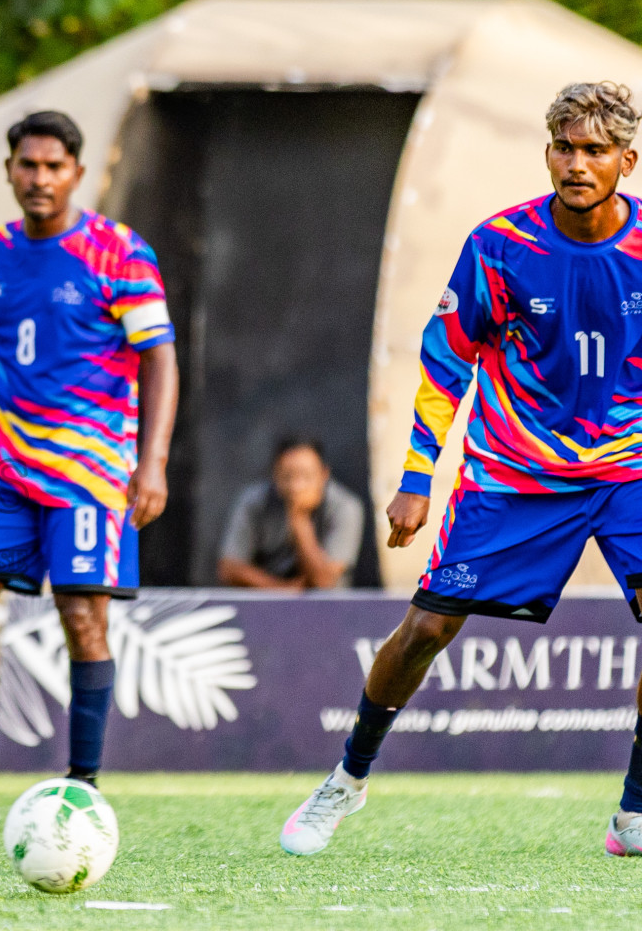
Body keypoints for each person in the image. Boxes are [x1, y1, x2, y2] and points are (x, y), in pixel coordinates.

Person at [280, 81, 642, 857]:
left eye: (595, 151)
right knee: (426, 629)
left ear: (627, 160)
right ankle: (347, 779)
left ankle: (635, 812)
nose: (576, 164)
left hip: (628, 473)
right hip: (514, 472)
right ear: (547, 152)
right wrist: (417, 477)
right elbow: (448, 362)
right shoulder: (501, 245)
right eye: (565, 148)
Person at [0, 110, 179, 831]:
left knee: (83, 617)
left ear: (77, 173)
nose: (40, 178)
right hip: (4, 469)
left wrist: (153, 463)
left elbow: (160, 357)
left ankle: (84, 787)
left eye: (54, 167)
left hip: (91, 470)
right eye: (28, 165)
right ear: (12, 170)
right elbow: (1, 355)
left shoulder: (120, 251)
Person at [217, 437, 365, 590]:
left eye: (306, 476)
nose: (296, 486)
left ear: (324, 474)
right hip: (266, 603)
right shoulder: (254, 501)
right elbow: (229, 569)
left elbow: (323, 581)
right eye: (288, 476)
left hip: (328, 607)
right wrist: (280, 589)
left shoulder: (345, 506)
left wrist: (299, 518)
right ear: (274, 474)